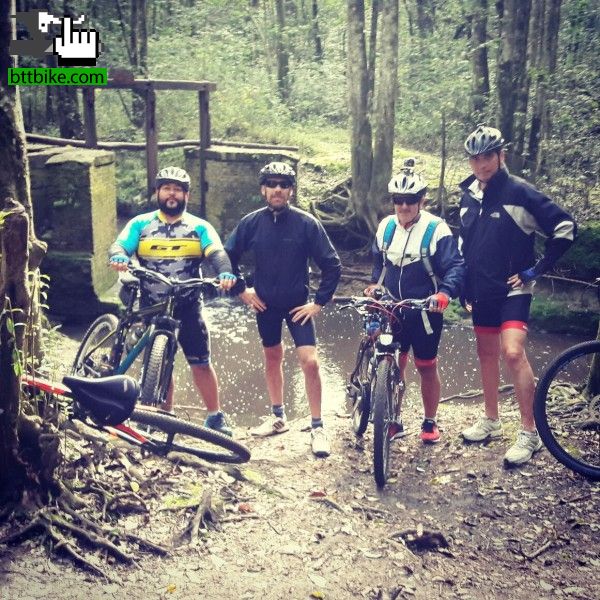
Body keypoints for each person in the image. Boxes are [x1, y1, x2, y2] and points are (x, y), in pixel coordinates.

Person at [459, 125, 577, 465]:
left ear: (501, 156)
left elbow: (566, 228)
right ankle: (492, 420)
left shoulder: (520, 192)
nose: (482, 165)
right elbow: (467, 244)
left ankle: (529, 433)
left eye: (488, 158)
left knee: (512, 352)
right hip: (481, 290)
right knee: (486, 354)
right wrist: (465, 286)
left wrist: (534, 270)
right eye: (475, 159)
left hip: (514, 288)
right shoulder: (469, 195)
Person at [108, 166, 237, 436]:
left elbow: (216, 252)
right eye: (166, 188)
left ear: (186, 195)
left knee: (201, 362)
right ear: (158, 192)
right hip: (152, 305)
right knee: (157, 360)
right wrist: (119, 256)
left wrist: (225, 271)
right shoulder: (140, 224)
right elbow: (120, 245)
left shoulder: (200, 226)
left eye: (178, 189)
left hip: (188, 305)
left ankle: (215, 417)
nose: (172, 193)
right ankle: (161, 415)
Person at [224, 162, 341, 457]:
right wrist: (242, 290)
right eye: (272, 183)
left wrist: (318, 302)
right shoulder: (251, 223)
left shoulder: (306, 223)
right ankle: (278, 417)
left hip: (297, 305)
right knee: (272, 356)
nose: (278, 189)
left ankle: (317, 427)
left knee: (310, 362)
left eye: (284, 184)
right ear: (263, 189)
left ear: (291, 190)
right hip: (265, 305)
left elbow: (332, 264)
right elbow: (226, 256)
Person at [364, 159, 465, 444]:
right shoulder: (385, 227)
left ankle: (430, 421)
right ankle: (392, 418)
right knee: (394, 360)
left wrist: (444, 294)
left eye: (410, 201)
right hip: (391, 306)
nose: (404, 207)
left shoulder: (437, 228)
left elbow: (456, 267)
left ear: (422, 200)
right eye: (398, 200)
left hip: (424, 309)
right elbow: (378, 265)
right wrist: (374, 287)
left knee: (426, 365)